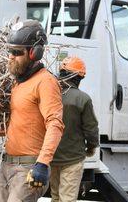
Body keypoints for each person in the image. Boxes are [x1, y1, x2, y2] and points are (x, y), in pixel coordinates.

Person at [0, 20, 64, 202]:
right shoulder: (17, 84)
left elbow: (55, 125)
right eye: (10, 51)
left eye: (17, 52)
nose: (11, 56)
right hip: (7, 166)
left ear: (34, 53)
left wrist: (42, 163)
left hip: (28, 170)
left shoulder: (46, 82)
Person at [49, 56, 99, 202]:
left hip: (52, 157)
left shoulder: (51, 95)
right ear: (79, 77)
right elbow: (91, 129)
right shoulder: (83, 99)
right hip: (73, 159)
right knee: (68, 198)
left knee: (56, 196)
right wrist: (91, 147)